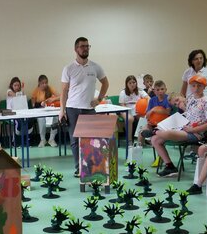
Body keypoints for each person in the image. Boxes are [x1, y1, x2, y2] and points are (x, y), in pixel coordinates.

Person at [59, 37, 109, 177]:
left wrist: (99, 99)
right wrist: (62, 111)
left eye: (87, 46)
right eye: (82, 46)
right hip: (72, 108)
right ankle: (78, 167)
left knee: (92, 139)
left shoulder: (95, 67)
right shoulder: (68, 68)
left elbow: (105, 83)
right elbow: (64, 91)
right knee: (75, 140)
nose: (85, 48)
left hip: (89, 109)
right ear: (76, 49)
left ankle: (90, 166)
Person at [151, 75, 207, 177]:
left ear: (204, 87)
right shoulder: (191, 98)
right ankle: (170, 167)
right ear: (190, 87)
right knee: (155, 140)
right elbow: (190, 116)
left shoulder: (206, 102)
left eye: (199, 86)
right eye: (193, 86)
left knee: (167, 133)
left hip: (196, 134)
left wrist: (193, 130)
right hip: (186, 128)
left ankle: (153, 131)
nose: (196, 88)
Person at [31, 74, 59, 147]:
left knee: (55, 118)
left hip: (50, 109)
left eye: (46, 83)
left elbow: (60, 96)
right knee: (41, 119)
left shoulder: (50, 88)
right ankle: (42, 139)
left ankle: (51, 139)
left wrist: (53, 99)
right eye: (43, 83)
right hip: (40, 110)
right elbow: (33, 102)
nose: (45, 85)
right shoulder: (36, 90)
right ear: (39, 83)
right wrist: (37, 104)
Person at [138, 80, 169, 146]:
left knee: (157, 139)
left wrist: (154, 109)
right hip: (153, 124)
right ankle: (139, 151)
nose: (160, 91)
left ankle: (159, 155)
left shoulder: (167, 99)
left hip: (164, 125)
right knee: (141, 133)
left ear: (166, 89)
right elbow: (147, 114)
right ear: (154, 91)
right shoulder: (152, 100)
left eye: (162, 89)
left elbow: (167, 111)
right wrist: (149, 120)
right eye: (157, 90)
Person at [119, 75, 148, 141]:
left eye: (134, 82)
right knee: (130, 119)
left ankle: (141, 140)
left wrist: (144, 110)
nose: (132, 84)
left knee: (144, 117)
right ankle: (129, 141)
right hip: (125, 109)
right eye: (130, 83)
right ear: (127, 84)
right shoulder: (123, 92)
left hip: (137, 109)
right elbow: (122, 105)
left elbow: (148, 98)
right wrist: (130, 112)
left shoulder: (140, 91)